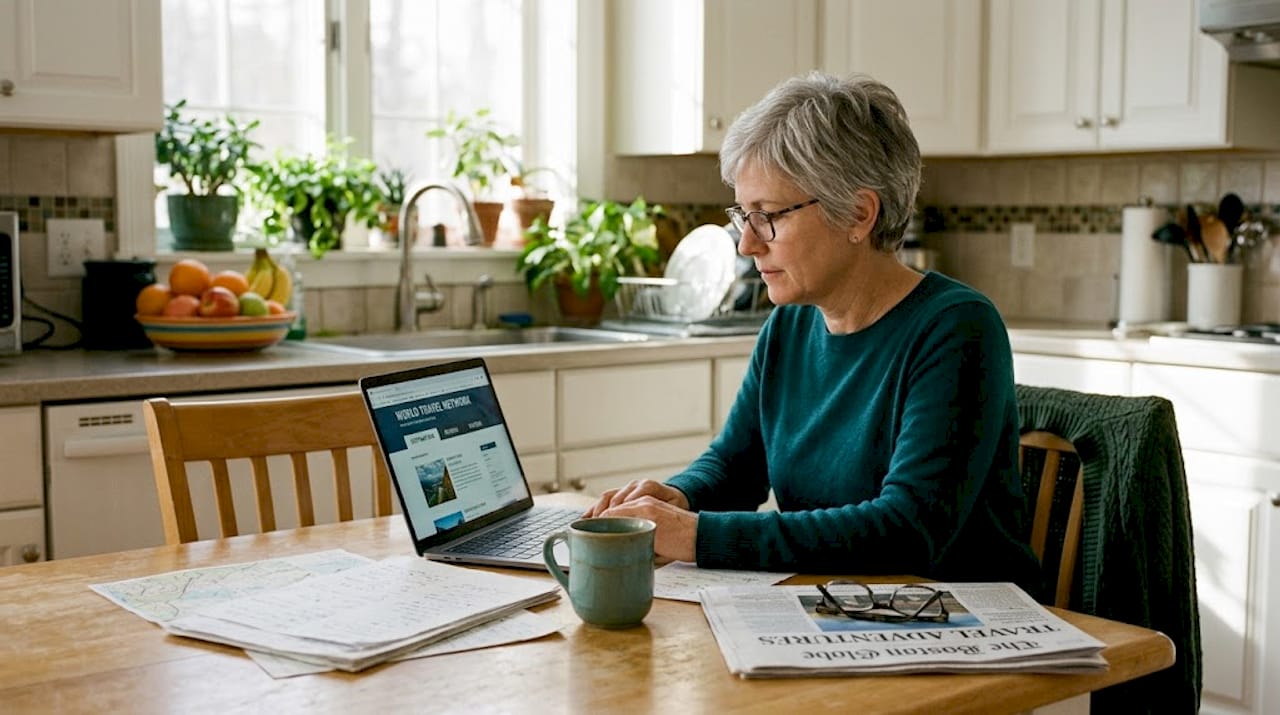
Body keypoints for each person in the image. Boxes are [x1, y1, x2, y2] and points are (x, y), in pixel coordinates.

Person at [586, 71, 1042, 594]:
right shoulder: (790, 324)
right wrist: (678, 498)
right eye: (743, 216)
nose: (746, 246)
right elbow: (736, 465)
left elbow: (909, 531)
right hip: (847, 606)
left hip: (960, 621)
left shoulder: (956, 328)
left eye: (768, 217)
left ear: (858, 213)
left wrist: (698, 535)